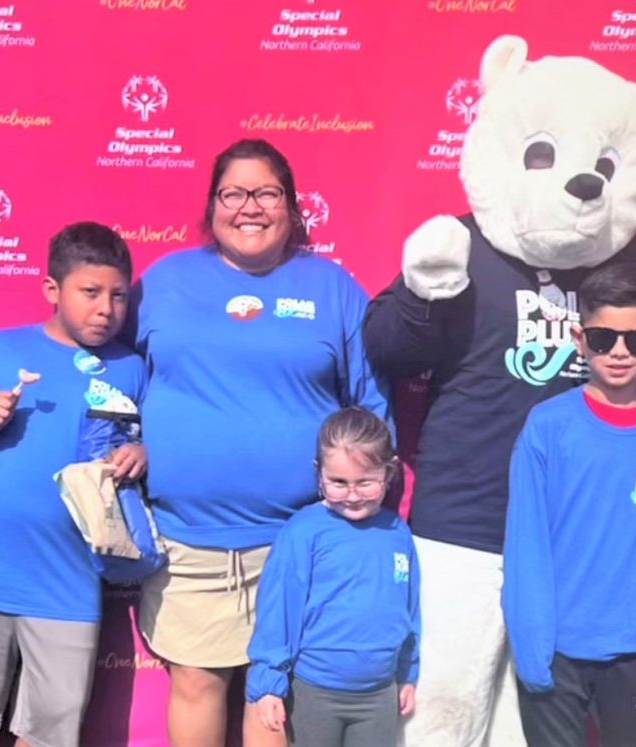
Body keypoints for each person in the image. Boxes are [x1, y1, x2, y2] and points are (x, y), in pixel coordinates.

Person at [132, 138, 390, 747]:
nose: (250, 207)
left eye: (267, 193)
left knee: (272, 696)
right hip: (187, 539)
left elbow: (371, 405)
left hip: (299, 539)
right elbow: (120, 382)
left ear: (293, 208)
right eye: (233, 193)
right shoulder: (164, 283)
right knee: (194, 681)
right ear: (212, 205)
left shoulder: (331, 288)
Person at [0, 222, 147, 747]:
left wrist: (142, 453)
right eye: (90, 293)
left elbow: (150, 440)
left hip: (69, 583)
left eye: (117, 295)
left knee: (48, 738)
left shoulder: (132, 368)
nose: (106, 309)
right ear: (52, 290)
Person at [503, 263, 636, 746]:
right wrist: (532, 652)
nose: (618, 352)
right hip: (556, 655)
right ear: (579, 338)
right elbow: (525, 546)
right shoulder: (547, 426)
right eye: (603, 337)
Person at [247, 406, 419, 747]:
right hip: (315, 692)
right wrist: (268, 683)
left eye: (365, 482)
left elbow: (409, 611)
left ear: (390, 472)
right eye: (339, 482)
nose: (352, 495)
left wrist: (407, 673)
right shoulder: (304, 531)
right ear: (318, 473)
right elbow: (278, 611)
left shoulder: (398, 533)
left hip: (379, 695)